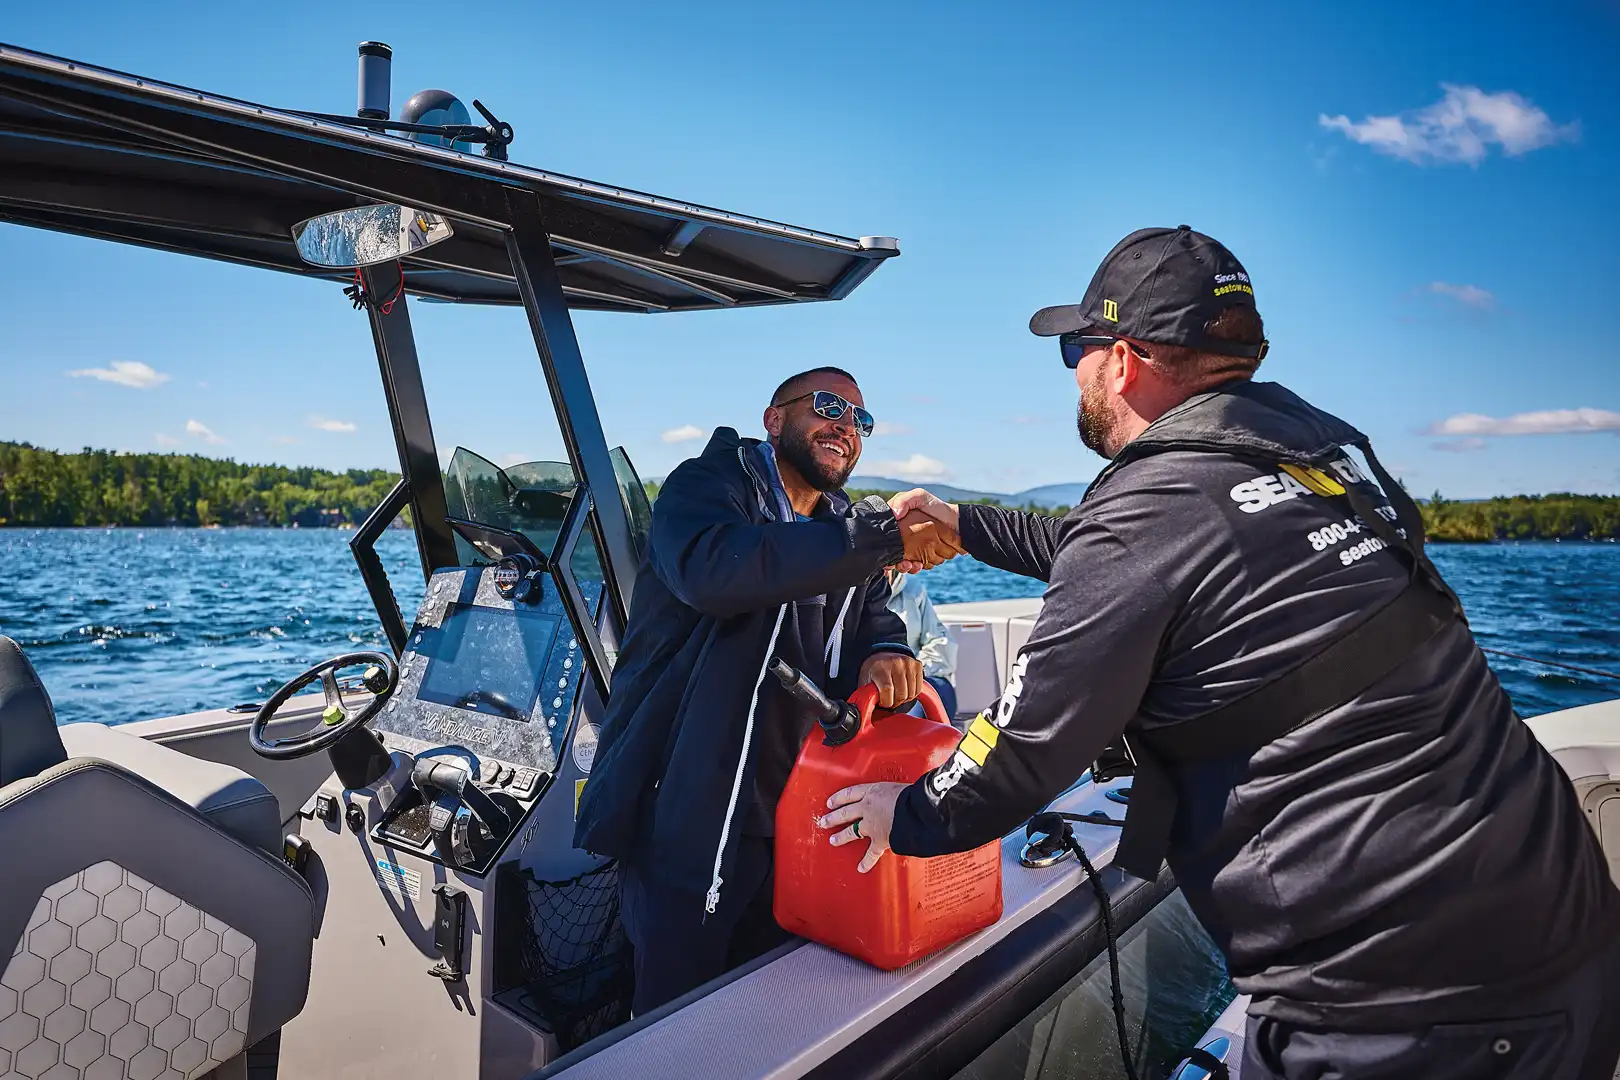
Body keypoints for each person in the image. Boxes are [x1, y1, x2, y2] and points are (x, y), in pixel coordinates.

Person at [818, 227, 1620, 1079]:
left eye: (1074, 352)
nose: (1077, 374)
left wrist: (900, 814)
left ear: (1120, 361)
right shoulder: (1327, 447)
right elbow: (1155, 554)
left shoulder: (1147, 517)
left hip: (1401, 1004)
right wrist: (967, 522)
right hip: (1565, 909)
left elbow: (1016, 758)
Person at [574, 365, 961, 1016]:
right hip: (691, 816)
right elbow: (717, 572)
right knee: (675, 1019)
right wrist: (877, 536)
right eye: (830, 406)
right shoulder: (705, 490)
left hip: (802, 815)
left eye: (861, 420)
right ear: (774, 419)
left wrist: (888, 652)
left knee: (769, 1005)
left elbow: (872, 617)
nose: (846, 426)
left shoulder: (841, 523)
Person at [884, 566, 958, 721]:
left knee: (931, 699)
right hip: (879, 688)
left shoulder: (913, 589)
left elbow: (939, 641)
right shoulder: (852, 600)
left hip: (924, 678)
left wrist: (916, 674)